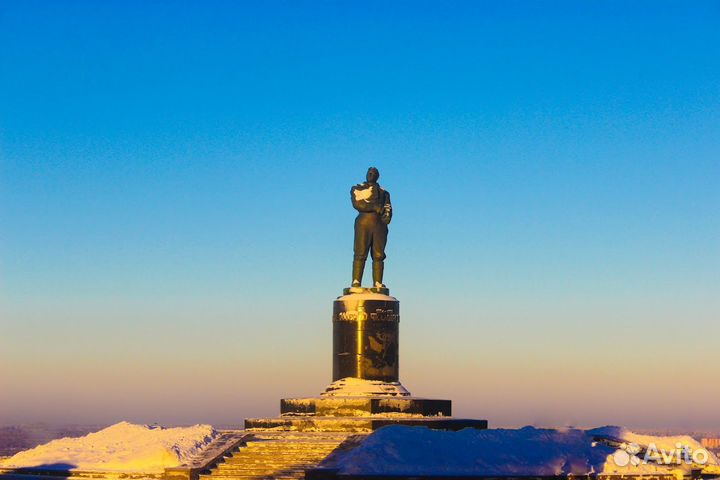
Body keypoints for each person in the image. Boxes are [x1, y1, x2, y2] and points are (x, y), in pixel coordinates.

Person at [350, 167, 392, 288]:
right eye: (369, 173)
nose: (371, 175)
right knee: (360, 252)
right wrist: (375, 207)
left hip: (379, 225)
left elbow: (388, 207)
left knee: (378, 254)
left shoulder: (384, 193)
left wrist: (386, 217)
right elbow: (358, 203)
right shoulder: (357, 189)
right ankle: (356, 281)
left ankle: (377, 282)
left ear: (377, 176)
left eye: (374, 173)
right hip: (363, 224)